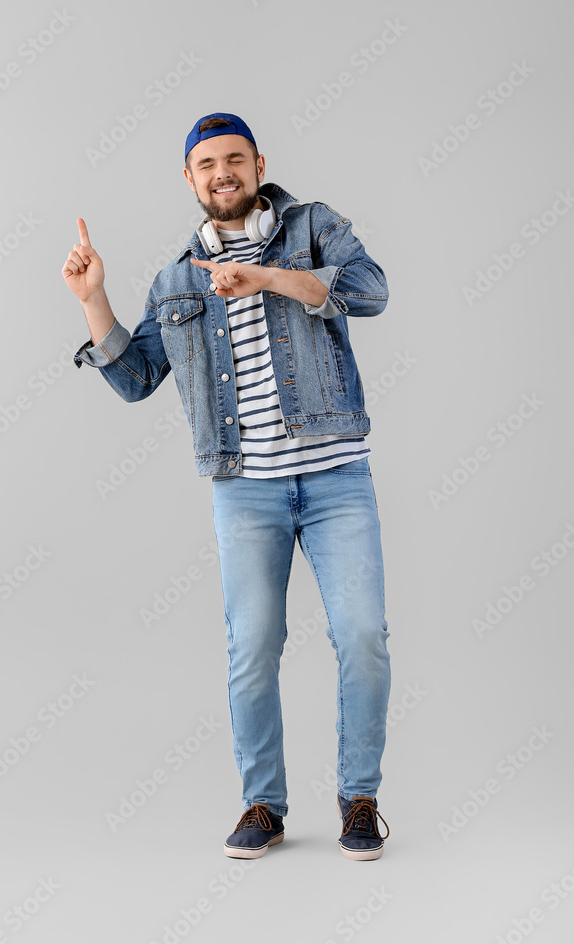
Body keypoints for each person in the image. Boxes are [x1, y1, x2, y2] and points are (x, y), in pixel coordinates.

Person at [62, 112, 392, 860]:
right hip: (244, 488)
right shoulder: (177, 277)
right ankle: (262, 805)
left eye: (234, 159)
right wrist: (93, 299)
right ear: (189, 178)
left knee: (363, 638)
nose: (222, 173)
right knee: (252, 647)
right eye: (206, 163)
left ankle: (359, 797)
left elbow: (370, 291)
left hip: (336, 471)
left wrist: (268, 278)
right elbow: (136, 378)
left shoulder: (311, 226)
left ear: (257, 163)